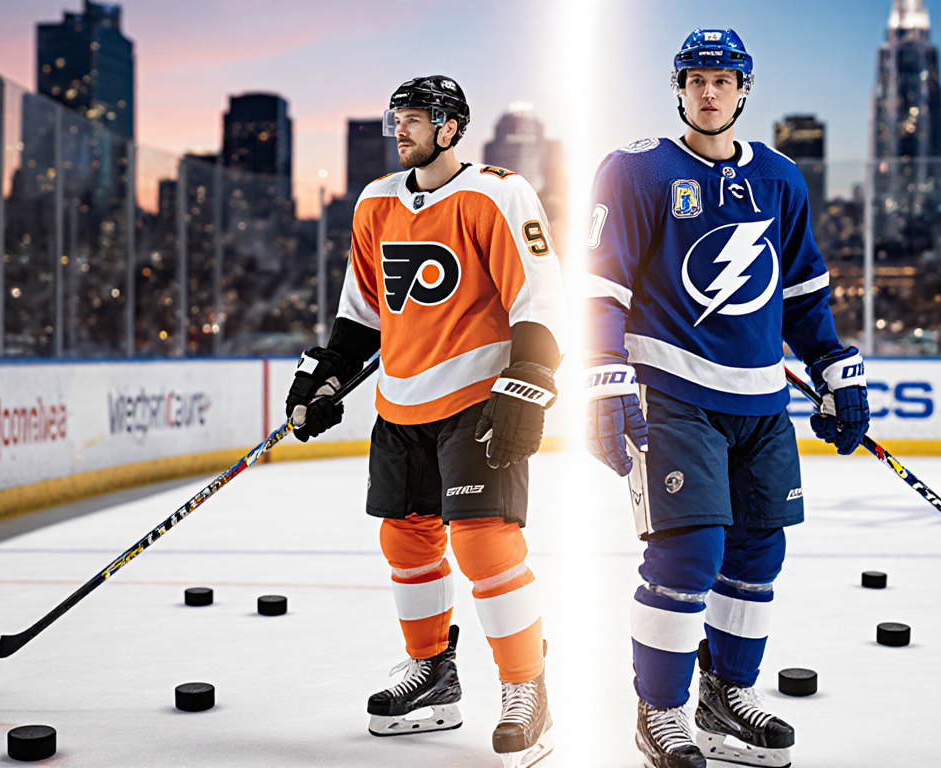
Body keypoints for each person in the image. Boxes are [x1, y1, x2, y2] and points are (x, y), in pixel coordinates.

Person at [582, 30, 870, 768]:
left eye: (723, 80)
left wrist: (832, 366)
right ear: (678, 88)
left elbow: (802, 290)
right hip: (673, 393)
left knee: (757, 552)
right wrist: (604, 375)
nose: (709, 92)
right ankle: (660, 710)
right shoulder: (637, 170)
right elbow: (601, 285)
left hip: (762, 404)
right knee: (689, 552)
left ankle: (726, 695)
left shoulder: (780, 177)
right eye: (697, 79)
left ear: (744, 90)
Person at [286, 75, 564, 768]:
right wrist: (325, 374)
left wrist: (530, 380)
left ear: (450, 127)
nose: (401, 129)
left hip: (477, 401)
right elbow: (363, 312)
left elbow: (539, 296)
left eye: (415, 118)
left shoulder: (498, 193)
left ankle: (526, 688)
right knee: (407, 542)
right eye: (398, 117)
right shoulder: (376, 201)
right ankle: (433, 672)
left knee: (484, 544)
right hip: (401, 405)